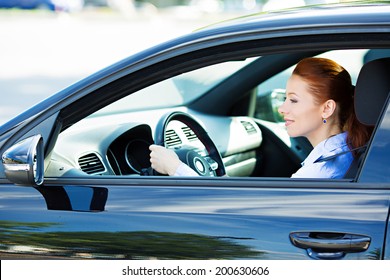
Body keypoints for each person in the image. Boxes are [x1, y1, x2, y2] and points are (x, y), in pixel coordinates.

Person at [149, 57, 372, 178]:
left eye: (293, 100)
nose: (282, 108)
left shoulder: (318, 173)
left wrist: (175, 167)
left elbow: (234, 221)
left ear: (326, 109)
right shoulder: (348, 148)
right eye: (284, 98)